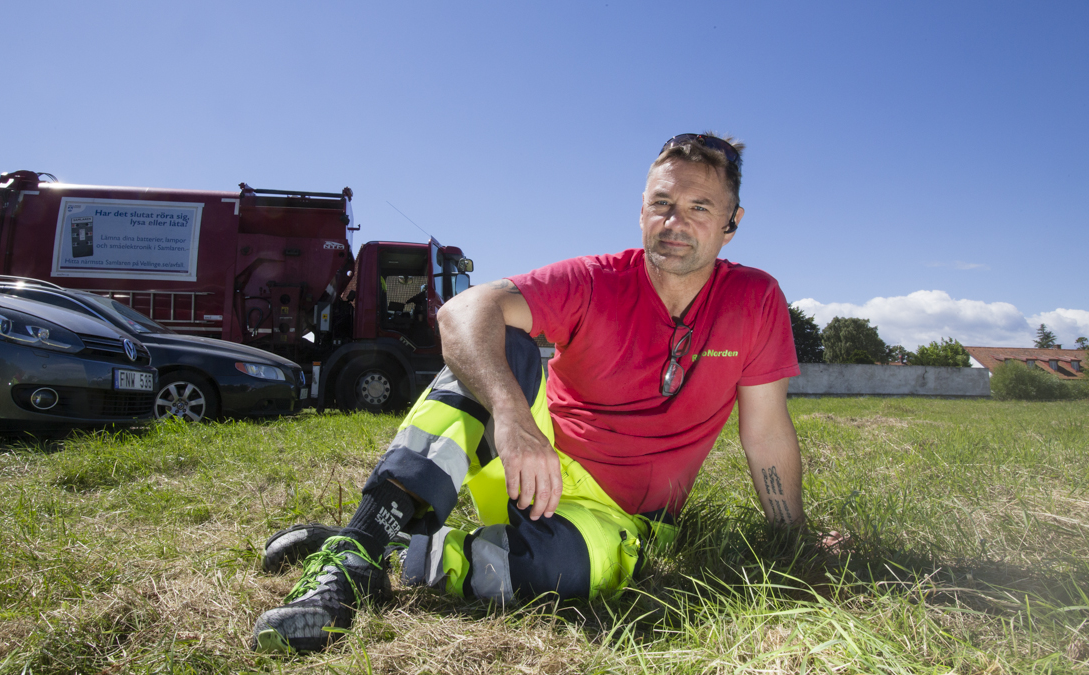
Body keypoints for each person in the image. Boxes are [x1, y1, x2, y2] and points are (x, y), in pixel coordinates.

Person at [251, 132, 807, 654]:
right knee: (497, 345)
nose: (674, 222)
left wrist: (793, 537)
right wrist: (514, 418)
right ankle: (353, 558)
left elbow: (765, 432)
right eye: (662, 203)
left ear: (731, 223)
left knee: (564, 574)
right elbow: (462, 313)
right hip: (530, 465)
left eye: (699, 208)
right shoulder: (597, 278)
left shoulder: (754, 300)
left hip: (619, 515)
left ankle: (393, 547)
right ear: (641, 209)